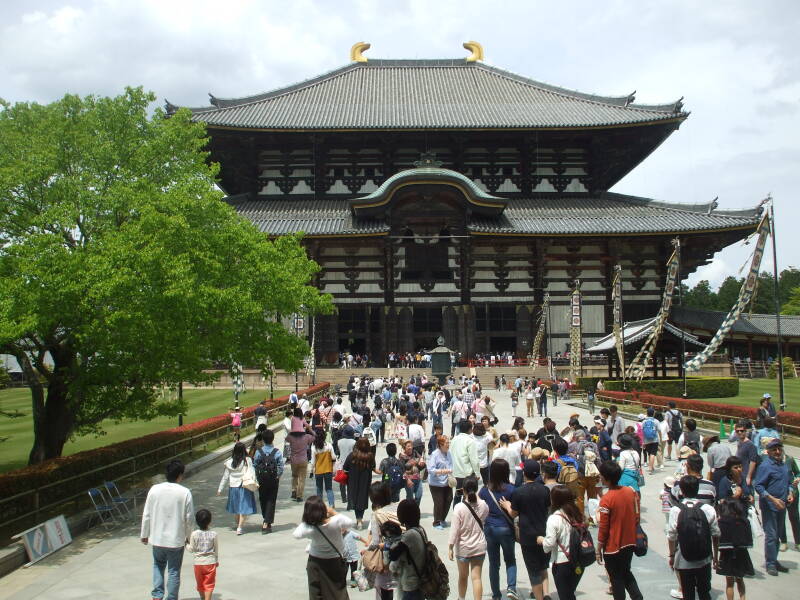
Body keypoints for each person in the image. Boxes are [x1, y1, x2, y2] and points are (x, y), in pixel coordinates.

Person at [140, 460, 194, 600]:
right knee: (174, 571)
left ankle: (157, 595)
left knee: (158, 565)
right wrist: (190, 537)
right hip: (175, 540)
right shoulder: (184, 493)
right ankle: (171, 597)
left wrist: (144, 534)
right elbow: (189, 519)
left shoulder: (154, 489)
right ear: (180, 475)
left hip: (157, 538)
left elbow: (147, 514)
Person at [667, 475, 721, 600]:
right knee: (704, 591)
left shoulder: (676, 510)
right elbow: (716, 534)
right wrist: (715, 556)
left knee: (688, 593)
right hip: (704, 559)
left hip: (684, 559)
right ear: (697, 489)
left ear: (681, 491)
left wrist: (671, 556)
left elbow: (671, 536)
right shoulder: (707, 509)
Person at [504, 460, 551, 600]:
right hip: (543, 532)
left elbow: (513, 513)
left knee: (533, 571)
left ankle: (539, 597)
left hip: (527, 536)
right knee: (543, 566)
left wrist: (507, 505)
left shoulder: (519, 492)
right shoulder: (545, 490)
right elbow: (548, 508)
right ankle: (546, 593)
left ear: (524, 474)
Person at [596, 460, 643, 600]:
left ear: (607, 478)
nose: (600, 478)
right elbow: (637, 516)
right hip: (629, 541)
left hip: (613, 546)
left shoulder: (606, 499)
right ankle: (637, 597)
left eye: (601, 475)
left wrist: (599, 548)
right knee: (626, 572)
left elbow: (604, 528)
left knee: (616, 578)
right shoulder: (630, 492)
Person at [293, 496, 353, 599]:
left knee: (316, 592)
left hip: (315, 562)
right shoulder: (336, 521)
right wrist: (333, 512)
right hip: (335, 560)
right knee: (338, 592)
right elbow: (349, 522)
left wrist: (307, 519)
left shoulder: (309, 528)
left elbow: (296, 534)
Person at [479, 458, 519, 600]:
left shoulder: (484, 490)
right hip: (505, 528)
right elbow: (515, 511)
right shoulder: (511, 489)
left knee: (494, 563)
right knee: (510, 559)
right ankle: (511, 587)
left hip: (489, 528)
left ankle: (496, 594)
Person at [753, 438, 794, 576]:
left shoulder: (783, 465)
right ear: (769, 452)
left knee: (777, 535)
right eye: (774, 449)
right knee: (771, 535)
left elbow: (789, 482)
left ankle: (774, 560)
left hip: (782, 506)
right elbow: (758, 486)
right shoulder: (765, 466)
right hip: (770, 506)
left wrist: (790, 493)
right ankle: (770, 563)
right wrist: (772, 499)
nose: (777, 452)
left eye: (779, 449)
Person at [538, 484, 585, 600]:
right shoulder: (577, 514)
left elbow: (549, 545)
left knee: (565, 595)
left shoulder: (554, 518)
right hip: (579, 560)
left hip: (562, 562)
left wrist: (541, 540)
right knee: (570, 594)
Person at [448, 475, 489, 600]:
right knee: (476, 578)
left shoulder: (459, 508)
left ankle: (461, 598)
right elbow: (485, 519)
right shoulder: (483, 505)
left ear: (463, 490)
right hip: (479, 546)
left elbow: (454, 530)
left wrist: (450, 547)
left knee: (463, 576)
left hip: (464, 547)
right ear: (476, 489)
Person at [716, 493, 754, 600]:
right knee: (740, 580)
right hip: (742, 553)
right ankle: (743, 598)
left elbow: (719, 540)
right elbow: (748, 540)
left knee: (729, 583)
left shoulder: (723, 522)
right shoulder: (745, 521)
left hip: (727, 555)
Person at [388, 499, 428, 600]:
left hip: (411, 584)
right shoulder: (420, 529)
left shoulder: (409, 535)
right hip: (420, 580)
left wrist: (388, 543)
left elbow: (393, 555)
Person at [365, 482, 399, 598]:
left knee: (385, 590)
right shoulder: (399, 507)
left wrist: (367, 550)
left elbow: (375, 542)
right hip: (403, 555)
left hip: (387, 560)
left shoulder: (377, 515)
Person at [217, 441, 258, 534]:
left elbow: (225, 476)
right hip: (244, 486)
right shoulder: (247, 460)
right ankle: (239, 527)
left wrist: (220, 489)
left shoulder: (229, 462)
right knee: (243, 508)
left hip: (233, 487)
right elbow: (252, 472)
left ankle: (238, 525)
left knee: (236, 509)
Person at [253, 429, 284, 533]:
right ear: (272, 439)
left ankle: (266, 520)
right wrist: (278, 476)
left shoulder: (258, 452)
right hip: (273, 479)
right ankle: (267, 522)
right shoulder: (277, 452)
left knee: (263, 499)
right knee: (271, 499)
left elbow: (255, 465)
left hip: (261, 479)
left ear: (263, 440)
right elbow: (281, 466)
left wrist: (256, 477)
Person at [345, 437, 376, 529]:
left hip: (352, 481)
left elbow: (345, 467)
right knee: (362, 499)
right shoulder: (370, 456)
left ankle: (358, 520)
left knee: (355, 499)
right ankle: (360, 519)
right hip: (365, 481)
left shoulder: (352, 455)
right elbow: (373, 467)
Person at [188, 509, 218, 600]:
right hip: (210, 562)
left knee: (200, 583)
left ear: (197, 521)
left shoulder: (194, 534)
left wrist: (186, 544)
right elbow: (216, 549)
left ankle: (202, 597)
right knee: (209, 583)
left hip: (198, 563)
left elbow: (191, 549)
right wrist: (216, 560)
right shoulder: (214, 534)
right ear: (210, 521)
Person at [427, 434, 454, 530]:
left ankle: (442, 519)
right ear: (441, 444)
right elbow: (430, 470)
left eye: (448, 443)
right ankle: (436, 522)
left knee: (449, 499)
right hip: (436, 484)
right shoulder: (435, 454)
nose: (448, 445)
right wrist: (443, 471)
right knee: (439, 502)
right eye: (446, 443)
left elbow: (451, 465)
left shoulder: (449, 453)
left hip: (447, 482)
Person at [451, 419, 480, 506]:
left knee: (457, 494)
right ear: (470, 429)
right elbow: (474, 459)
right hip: (467, 473)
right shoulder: (470, 441)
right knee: (468, 496)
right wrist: (477, 473)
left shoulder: (454, 439)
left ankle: (456, 513)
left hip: (456, 472)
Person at [288, 417, 316, 502]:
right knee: (302, 478)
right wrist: (310, 429)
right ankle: (299, 495)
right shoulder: (307, 437)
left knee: (294, 476)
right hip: (303, 459)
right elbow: (315, 436)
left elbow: (287, 438)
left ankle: (294, 490)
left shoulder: (291, 437)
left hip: (294, 460)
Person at [312, 430, 337, 508]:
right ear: (324, 437)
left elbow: (313, 462)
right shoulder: (329, 446)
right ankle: (331, 504)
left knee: (319, 489)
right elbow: (333, 457)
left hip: (318, 471)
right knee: (329, 488)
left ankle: (320, 506)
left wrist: (311, 470)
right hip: (328, 470)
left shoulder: (314, 447)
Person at [734, 421, 759, 488]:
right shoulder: (739, 442)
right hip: (740, 475)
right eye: (737, 431)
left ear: (745, 431)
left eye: (742, 431)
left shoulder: (750, 445)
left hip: (746, 476)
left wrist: (749, 477)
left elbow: (753, 462)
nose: (739, 432)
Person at [641, 407, 659, 474]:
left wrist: (643, 441)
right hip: (655, 440)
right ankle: (651, 469)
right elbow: (659, 430)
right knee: (653, 454)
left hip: (646, 440)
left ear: (647, 413)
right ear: (653, 413)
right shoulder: (656, 421)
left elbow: (642, 432)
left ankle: (651, 466)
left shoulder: (644, 421)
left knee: (649, 454)